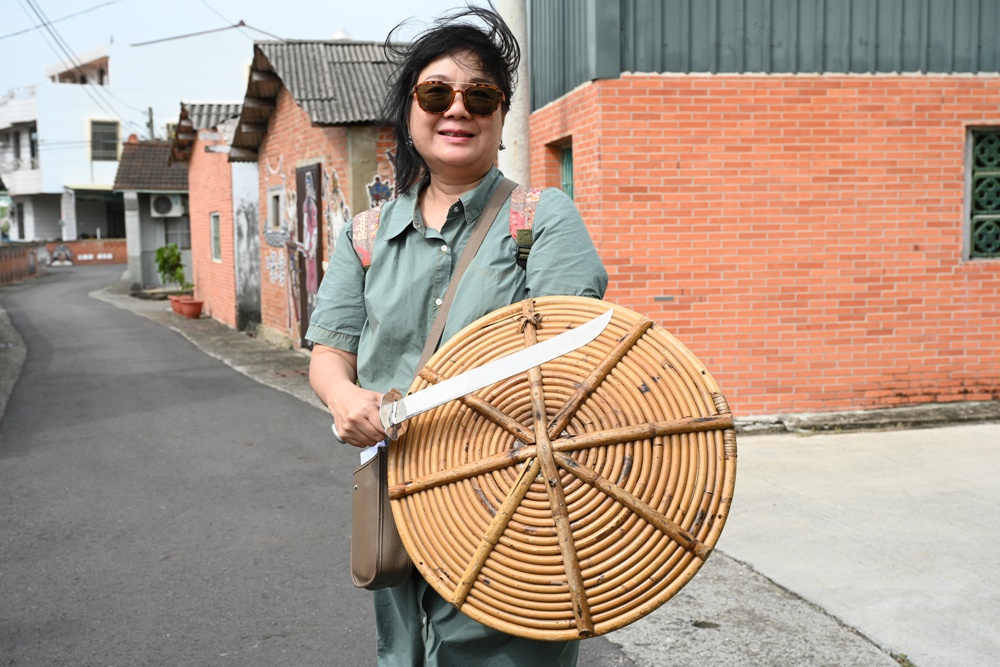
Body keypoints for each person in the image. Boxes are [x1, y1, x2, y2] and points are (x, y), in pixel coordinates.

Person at [306, 6, 608, 665]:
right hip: (397, 492)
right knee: (403, 649)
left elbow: (567, 357)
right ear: (409, 112)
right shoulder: (363, 235)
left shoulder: (540, 218)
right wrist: (342, 398)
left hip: (512, 500)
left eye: (481, 96)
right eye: (437, 93)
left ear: (501, 120)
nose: (458, 109)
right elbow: (330, 350)